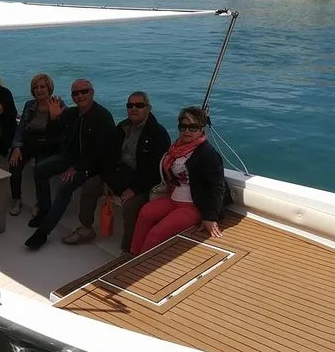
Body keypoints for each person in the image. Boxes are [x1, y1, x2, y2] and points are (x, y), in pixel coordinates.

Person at [63, 91, 170, 256]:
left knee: (131, 206)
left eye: (139, 105)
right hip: (118, 176)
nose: (134, 109)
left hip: (141, 183)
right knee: (90, 185)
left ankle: (128, 250)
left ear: (148, 108)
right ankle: (85, 228)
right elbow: (108, 157)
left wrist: (134, 190)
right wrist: (108, 180)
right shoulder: (122, 128)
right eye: (130, 105)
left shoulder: (158, 134)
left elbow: (154, 170)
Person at [24, 79, 115, 250]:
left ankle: (43, 232)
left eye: (84, 91)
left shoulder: (103, 117)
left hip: (93, 166)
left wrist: (77, 168)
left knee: (66, 185)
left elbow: (102, 152)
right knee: (40, 169)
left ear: (92, 92)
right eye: (75, 93)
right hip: (70, 157)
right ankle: (44, 210)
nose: (80, 96)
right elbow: (53, 135)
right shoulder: (72, 113)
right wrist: (53, 118)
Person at [130, 106, 231, 255]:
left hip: (193, 206)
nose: (187, 131)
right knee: (146, 212)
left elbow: (217, 187)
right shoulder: (176, 148)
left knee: (157, 232)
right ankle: (133, 254)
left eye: (193, 127)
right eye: (183, 127)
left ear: (202, 129)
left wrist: (210, 217)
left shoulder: (207, 154)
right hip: (174, 199)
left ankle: (140, 263)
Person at [8, 74, 66, 216]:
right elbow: (21, 128)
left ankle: (41, 203)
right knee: (14, 164)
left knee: (40, 169)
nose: (39, 90)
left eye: (42, 87)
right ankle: (17, 199)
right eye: (36, 87)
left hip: (48, 144)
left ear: (49, 88)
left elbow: (63, 131)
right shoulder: (30, 105)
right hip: (30, 141)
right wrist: (17, 147)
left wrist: (55, 117)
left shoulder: (58, 104)